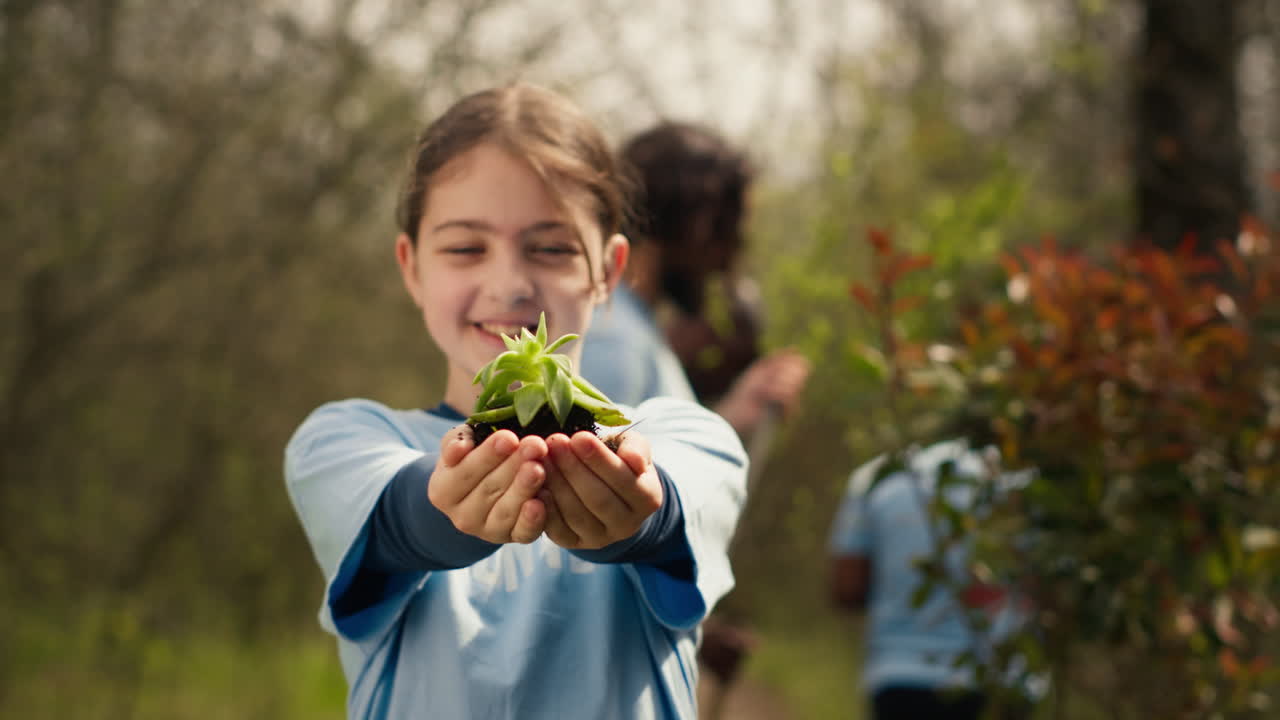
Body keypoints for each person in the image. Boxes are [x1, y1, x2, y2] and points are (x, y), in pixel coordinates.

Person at [284, 83, 749, 720]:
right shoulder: (344, 440)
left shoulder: (688, 436)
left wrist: (632, 510)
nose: (507, 283)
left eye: (552, 247)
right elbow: (398, 520)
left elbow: (668, 507)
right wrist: (449, 504)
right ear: (412, 266)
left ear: (609, 271)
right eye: (465, 247)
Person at [578, 121, 810, 717]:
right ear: (694, 224)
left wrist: (733, 413)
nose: (732, 259)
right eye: (728, 234)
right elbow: (583, 533)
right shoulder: (616, 343)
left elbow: (635, 474)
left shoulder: (628, 335)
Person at [827, 438, 1034, 720]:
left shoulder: (877, 476)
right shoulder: (1021, 482)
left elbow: (847, 589)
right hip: (1000, 682)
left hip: (900, 679)